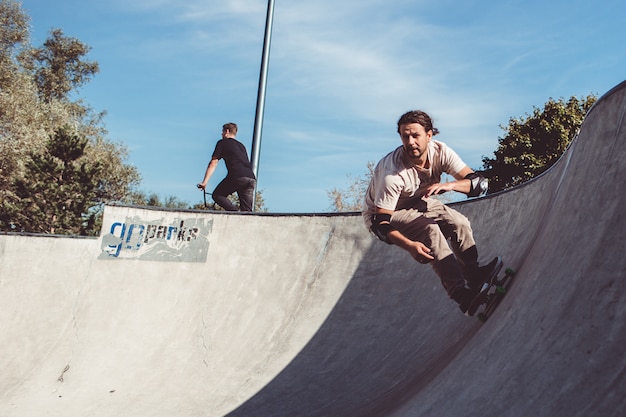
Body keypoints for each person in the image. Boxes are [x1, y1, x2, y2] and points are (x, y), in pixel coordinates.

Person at [363, 110, 501, 315]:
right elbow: (380, 225)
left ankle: (473, 276)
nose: (410, 142)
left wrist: (453, 185)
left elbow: (479, 184)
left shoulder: (441, 152)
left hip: (418, 200)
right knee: (431, 230)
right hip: (386, 213)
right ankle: (461, 295)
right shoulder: (392, 172)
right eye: (405, 136)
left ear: (429, 135)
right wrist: (409, 245)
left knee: (459, 222)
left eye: (415, 135)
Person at [197, 123, 256, 212]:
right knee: (247, 211)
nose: (221, 134)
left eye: (222, 131)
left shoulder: (222, 143)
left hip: (237, 176)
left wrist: (204, 182)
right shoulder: (242, 146)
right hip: (251, 178)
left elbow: (213, 162)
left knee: (217, 195)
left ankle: (235, 212)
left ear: (227, 131)